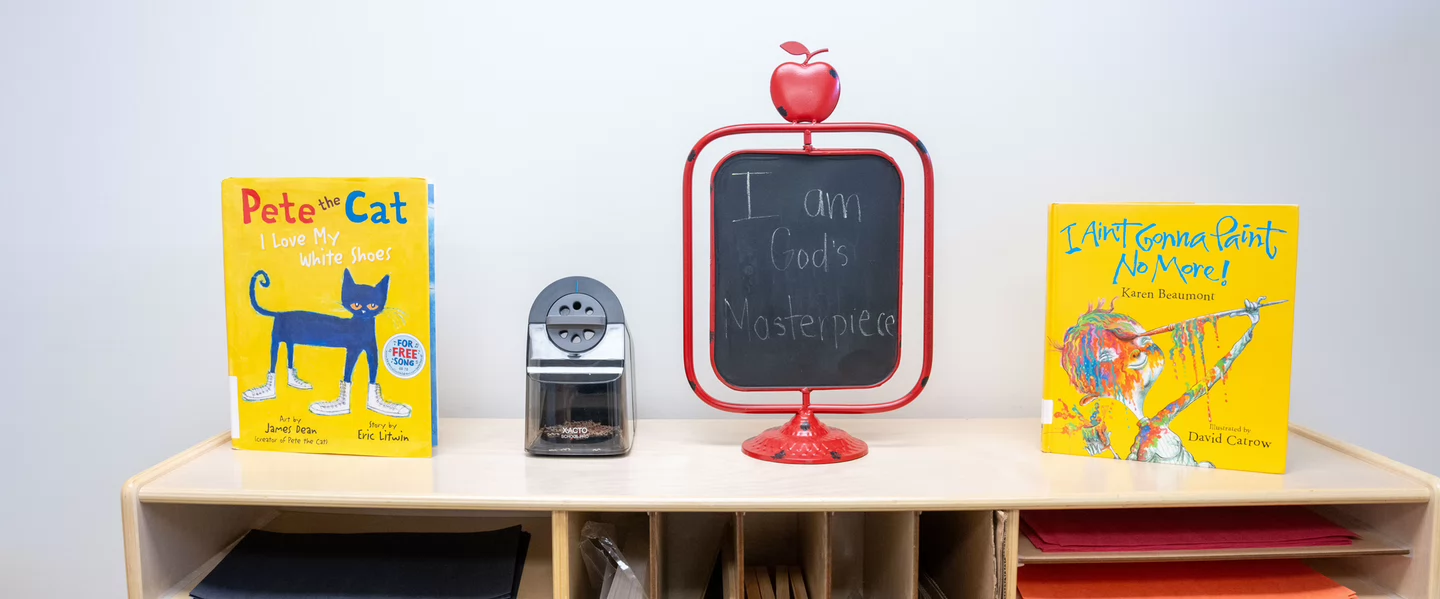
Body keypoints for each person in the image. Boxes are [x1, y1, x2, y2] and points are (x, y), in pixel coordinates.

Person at [1056, 297, 1265, 468]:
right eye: (1107, 357)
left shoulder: (1161, 420)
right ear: (1092, 393)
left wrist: (1250, 328)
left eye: (1144, 341)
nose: (1137, 352)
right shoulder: (1137, 443)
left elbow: (1212, 376)